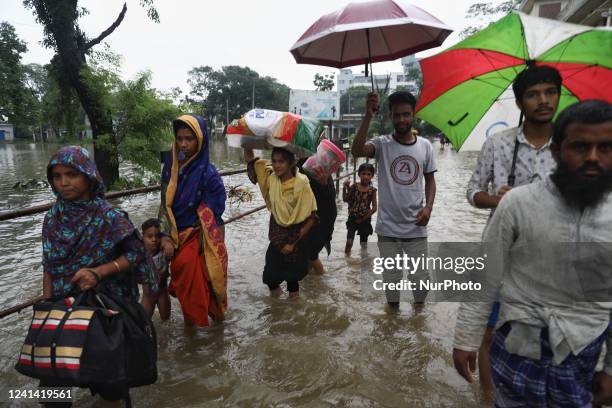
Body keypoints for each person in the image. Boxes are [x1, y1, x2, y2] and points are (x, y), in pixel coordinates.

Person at [453, 100, 612, 407]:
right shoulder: (518, 204)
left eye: (605, 147)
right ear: (557, 152)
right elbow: (486, 273)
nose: (592, 158)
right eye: (580, 147)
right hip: (517, 345)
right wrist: (465, 340)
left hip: (581, 350)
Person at [465, 65, 562, 399]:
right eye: (533, 95)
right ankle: (490, 397)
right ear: (520, 103)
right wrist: (498, 199)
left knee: (551, 335)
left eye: (550, 92)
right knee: (489, 333)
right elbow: (472, 192)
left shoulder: (572, 147)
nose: (543, 100)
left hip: (553, 259)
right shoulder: (497, 144)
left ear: (559, 96)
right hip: (500, 256)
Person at [41, 145, 151, 406]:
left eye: (71, 174)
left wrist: (99, 273)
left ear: (88, 176)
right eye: (57, 176)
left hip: (102, 315)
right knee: (51, 388)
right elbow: (48, 265)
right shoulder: (52, 219)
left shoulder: (110, 217)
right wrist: (45, 308)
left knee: (109, 385)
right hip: (62, 310)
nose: (64, 182)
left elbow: (137, 254)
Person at [351, 90, 436, 309]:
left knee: (420, 281)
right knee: (391, 281)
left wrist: (428, 208)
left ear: (413, 114)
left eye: (406, 114)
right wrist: (368, 115)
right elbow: (357, 150)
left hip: (416, 226)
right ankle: (392, 322)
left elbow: (430, 181)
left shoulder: (425, 146)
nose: (401, 120)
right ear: (390, 116)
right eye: (397, 115)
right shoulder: (382, 144)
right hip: (387, 229)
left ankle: (419, 318)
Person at [158, 114, 228, 327]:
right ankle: (194, 330)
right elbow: (164, 202)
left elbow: (216, 207)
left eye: (189, 138)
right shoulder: (171, 168)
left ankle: (210, 333)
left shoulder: (209, 174)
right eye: (179, 138)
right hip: (175, 233)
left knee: (203, 278)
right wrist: (165, 235)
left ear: (200, 140)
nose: (183, 144)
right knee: (187, 282)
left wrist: (194, 232)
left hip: (200, 236)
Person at [244, 147, 318, 299]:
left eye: (281, 162)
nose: (276, 165)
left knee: (292, 282)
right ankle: (276, 312)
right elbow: (253, 163)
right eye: (274, 161)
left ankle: (293, 316)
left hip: (296, 239)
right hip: (277, 238)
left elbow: (312, 217)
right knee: (270, 278)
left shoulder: (302, 183)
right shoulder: (271, 179)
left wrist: (293, 243)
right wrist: (247, 143)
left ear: (291, 163)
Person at [298, 160, 337, 275]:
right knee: (307, 254)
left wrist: (324, 183)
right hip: (308, 216)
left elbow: (330, 195)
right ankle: (313, 282)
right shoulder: (296, 165)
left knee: (310, 253)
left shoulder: (317, 164)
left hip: (322, 217)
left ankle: (321, 280)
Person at [342, 162, 377, 255]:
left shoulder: (372, 190)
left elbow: (374, 208)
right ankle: (347, 261)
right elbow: (345, 199)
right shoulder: (354, 187)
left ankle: (363, 262)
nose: (366, 176)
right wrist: (344, 188)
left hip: (364, 220)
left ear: (372, 176)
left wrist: (363, 218)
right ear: (359, 174)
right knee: (349, 243)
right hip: (353, 218)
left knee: (363, 245)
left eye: (368, 174)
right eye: (363, 174)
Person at [141, 218, 171, 321]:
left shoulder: (164, 250)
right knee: (144, 323)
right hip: (148, 296)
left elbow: (169, 237)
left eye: (157, 236)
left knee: (166, 321)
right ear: (143, 237)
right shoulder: (141, 254)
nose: (154, 239)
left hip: (162, 293)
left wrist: (166, 241)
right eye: (149, 237)